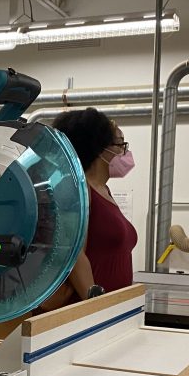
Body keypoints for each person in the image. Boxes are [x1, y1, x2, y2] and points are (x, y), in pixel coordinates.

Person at [40, 107, 137, 309]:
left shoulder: (104, 190)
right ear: (100, 149)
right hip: (86, 313)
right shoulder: (79, 191)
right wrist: (94, 308)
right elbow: (74, 254)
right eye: (120, 144)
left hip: (112, 310)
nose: (125, 152)